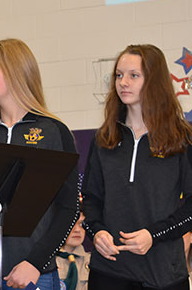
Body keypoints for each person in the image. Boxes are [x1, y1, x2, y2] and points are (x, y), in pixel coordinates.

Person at [0, 38, 79, 290]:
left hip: (31, 274)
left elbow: (68, 208)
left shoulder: (53, 132)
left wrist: (35, 263)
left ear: (16, 70)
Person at [82, 44, 192, 289]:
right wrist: (97, 233)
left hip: (162, 274)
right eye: (119, 75)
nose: (123, 83)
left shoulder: (182, 139)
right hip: (109, 272)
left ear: (154, 81)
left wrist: (153, 236)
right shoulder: (104, 138)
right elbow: (90, 200)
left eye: (134, 76)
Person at [56, 212, 90, 290]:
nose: (77, 230)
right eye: (71, 224)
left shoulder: (93, 261)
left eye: (81, 224)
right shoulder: (46, 261)